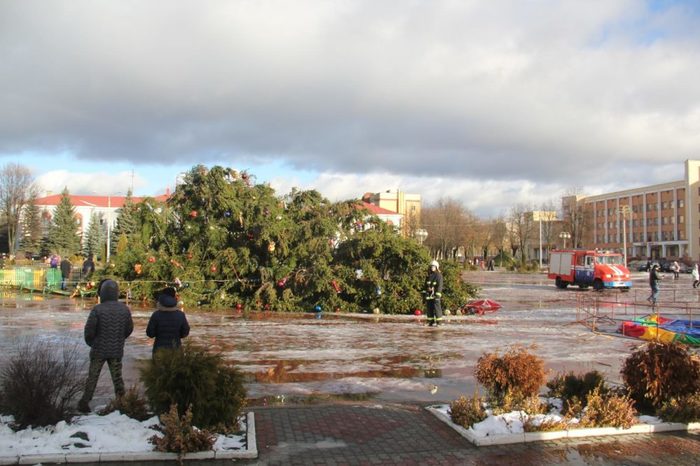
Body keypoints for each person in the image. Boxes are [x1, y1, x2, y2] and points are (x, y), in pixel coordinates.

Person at [78, 279, 134, 413]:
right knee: (117, 378)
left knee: (92, 377)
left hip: (98, 350)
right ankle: (122, 401)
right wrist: (119, 338)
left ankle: (85, 402)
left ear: (102, 293)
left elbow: (89, 330)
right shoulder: (124, 309)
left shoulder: (98, 309)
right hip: (116, 350)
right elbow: (129, 328)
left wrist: (92, 342)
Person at [146, 287, 190, 357]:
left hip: (159, 351)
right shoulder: (180, 315)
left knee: (158, 368)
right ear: (174, 298)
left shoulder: (156, 315)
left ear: (161, 298)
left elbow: (150, 334)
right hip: (176, 350)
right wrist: (177, 336)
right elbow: (185, 332)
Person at [422, 260, 444, 326]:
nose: (432, 268)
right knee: (429, 309)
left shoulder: (439, 275)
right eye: (431, 266)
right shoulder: (429, 276)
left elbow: (440, 286)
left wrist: (437, 295)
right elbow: (425, 286)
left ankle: (439, 322)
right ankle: (430, 321)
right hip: (429, 295)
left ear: (437, 267)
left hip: (435, 295)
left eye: (434, 266)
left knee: (437, 308)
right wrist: (424, 294)